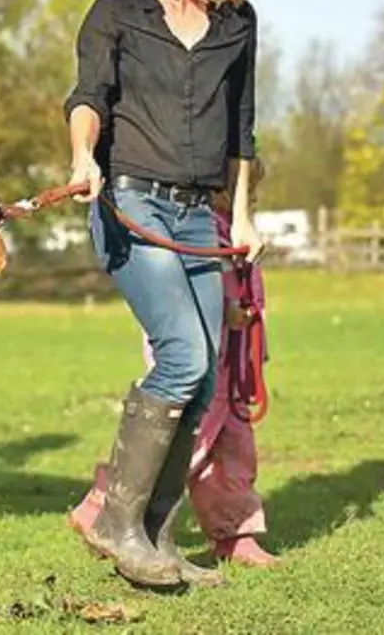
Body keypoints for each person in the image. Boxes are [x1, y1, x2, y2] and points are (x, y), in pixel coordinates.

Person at [62, 0, 266, 588]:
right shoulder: (116, 12)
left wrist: (241, 215)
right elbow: (88, 96)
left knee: (207, 377)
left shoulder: (237, 20)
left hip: (197, 215)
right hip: (130, 204)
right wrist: (83, 156)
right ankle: (116, 522)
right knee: (181, 356)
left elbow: (241, 127)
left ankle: (156, 537)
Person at [68, 157, 280, 570]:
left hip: (235, 367)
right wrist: (229, 311)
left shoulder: (239, 232)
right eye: (233, 189)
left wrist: (257, 345)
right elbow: (178, 296)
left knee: (234, 449)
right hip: (201, 359)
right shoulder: (193, 230)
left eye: (249, 191)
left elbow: (251, 290)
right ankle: (104, 503)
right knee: (185, 443)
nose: (243, 198)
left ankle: (236, 533)